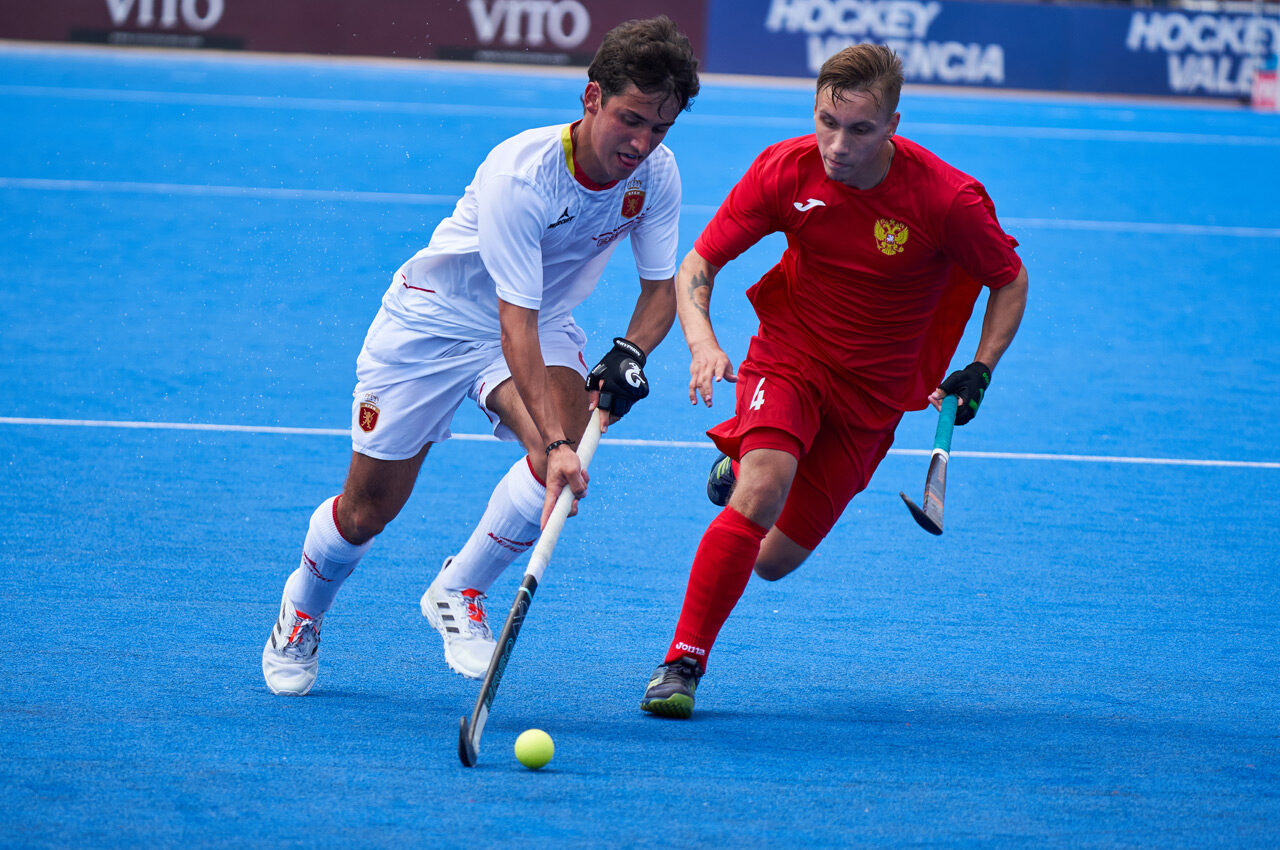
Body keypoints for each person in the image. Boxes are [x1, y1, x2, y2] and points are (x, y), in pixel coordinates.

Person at [262, 16, 700, 696]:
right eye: (630, 119)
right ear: (591, 100)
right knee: (366, 511)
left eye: (660, 129)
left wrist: (629, 350)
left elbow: (660, 289)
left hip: (541, 318)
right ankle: (301, 611)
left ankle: (459, 588)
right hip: (433, 322)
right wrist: (553, 439)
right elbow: (510, 323)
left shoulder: (656, 176)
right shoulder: (522, 176)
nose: (642, 143)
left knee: (560, 465)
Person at [639, 44, 1028, 719]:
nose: (836, 145)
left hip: (873, 398)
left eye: (859, 130)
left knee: (770, 560)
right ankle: (683, 663)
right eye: (826, 122)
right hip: (792, 355)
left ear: (893, 126)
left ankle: (744, 467)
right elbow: (700, 261)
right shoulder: (784, 171)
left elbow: (1009, 279)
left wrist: (981, 368)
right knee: (764, 487)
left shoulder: (945, 198)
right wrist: (701, 339)